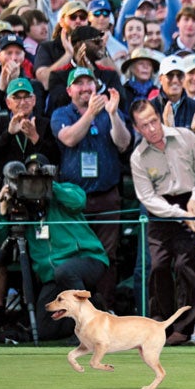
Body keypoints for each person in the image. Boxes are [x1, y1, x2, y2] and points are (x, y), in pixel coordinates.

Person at [0, 155, 108, 341]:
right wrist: (3, 210)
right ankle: (96, 305)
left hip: (87, 259)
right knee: (44, 329)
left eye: (36, 173)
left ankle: (89, 328)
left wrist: (49, 187)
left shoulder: (64, 192)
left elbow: (79, 201)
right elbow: (3, 240)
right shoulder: (27, 211)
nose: (32, 180)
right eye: (27, 175)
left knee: (65, 272)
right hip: (55, 277)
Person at [129, 99, 195, 345]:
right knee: (158, 266)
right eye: (145, 125)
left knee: (187, 266)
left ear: (159, 117)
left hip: (191, 200)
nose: (152, 128)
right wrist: (179, 214)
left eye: (154, 121)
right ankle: (159, 324)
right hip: (162, 212)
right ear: (137, 129)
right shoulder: (138, 157)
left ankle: (184, 329)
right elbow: (147, 197)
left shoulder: (185, 137)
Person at [50, 67, 130, 313]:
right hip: (75, 201)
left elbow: (123, 142)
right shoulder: (61, 113)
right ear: (69, 90)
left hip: (106, 196)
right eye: (79, 83)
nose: (85, 87)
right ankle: (80, 313)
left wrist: (113, 114)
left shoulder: (107, 111)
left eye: (89, 82)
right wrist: (90, 115)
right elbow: (69, 138)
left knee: (107, 255)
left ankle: (105, 309)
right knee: (78, 254)